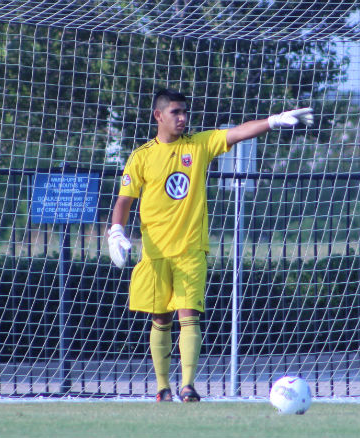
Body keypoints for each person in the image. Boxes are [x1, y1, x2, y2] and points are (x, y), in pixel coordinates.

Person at [108, 88, 313, 402]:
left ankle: (187, 385)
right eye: (175, 112)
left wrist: (273, 120)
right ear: (158, 116)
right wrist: (116, 231)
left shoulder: (198, 145)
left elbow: (236, 133)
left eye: (184, 112)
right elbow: (124, 198)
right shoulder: (142, 156)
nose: (182, 118)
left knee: (188, 314)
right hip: (154, 252)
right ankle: (163, 388)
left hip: (190, 249)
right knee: (160, 318)